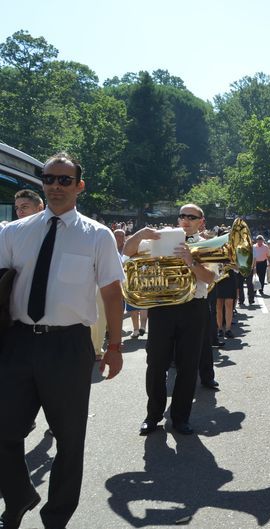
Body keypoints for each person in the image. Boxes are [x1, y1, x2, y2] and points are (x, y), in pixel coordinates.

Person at [0, 152, 125, 529]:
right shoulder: (13, 232)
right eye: (49, 178)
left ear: (79, 186)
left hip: (69, 345)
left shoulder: (97, 235)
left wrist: (114, 346)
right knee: (4, 431)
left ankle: (56, 519)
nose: (55, 185)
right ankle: (19, 495)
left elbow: (113, 295)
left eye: (64, 180)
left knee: (70, 442)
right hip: (18, 342)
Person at [124, 204, 217, 436]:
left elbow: (210, 278)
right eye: (182, 215)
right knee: (156, 364)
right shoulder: (161, 237)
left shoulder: (208, 244)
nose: (186, 219)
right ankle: (153, 415)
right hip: (162, 307)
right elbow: (128, 251)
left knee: (188, 366)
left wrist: (190, 262)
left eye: (191, 217)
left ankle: (180, 418)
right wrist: (139, 234)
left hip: (193, 307)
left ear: (201, 221)